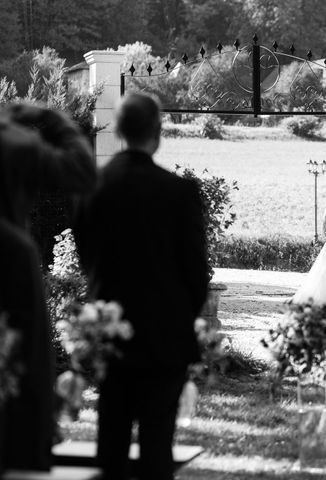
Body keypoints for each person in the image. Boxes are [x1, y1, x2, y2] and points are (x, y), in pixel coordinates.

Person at [73, 92, 209, 480]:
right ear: (158, 133)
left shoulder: (91, 189)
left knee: (110, 442)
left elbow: (88, 263)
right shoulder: (179, 193)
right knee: (157, 446)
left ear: (117, 131)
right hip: (165, 338)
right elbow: (196, 275)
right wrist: (181, 316)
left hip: (109, 335)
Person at [0, 103, 95, 471]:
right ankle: (27, 439)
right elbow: (82, 172)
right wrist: (56, 121)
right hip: (7, 257)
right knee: (26, 353)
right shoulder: (14, 140)